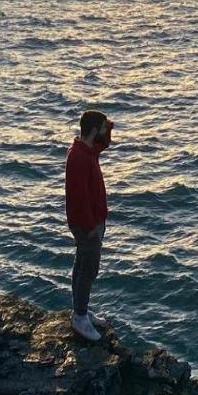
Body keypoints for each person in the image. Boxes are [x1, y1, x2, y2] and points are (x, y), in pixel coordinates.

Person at [65, 109, 112, 341]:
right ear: (94, 131)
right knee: (88, 269)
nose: (106, 131)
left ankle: (80, 310)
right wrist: (91, 225)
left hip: (91, 221)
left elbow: (105, 143)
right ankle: (80, 317)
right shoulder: (79, 158)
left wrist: (106, 125)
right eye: (103, 127)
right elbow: (79, 197)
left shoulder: (88, 150)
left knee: (82, 264)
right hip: (87, 224)